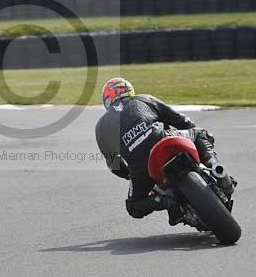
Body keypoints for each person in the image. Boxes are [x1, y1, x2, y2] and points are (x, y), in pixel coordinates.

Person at [94, 77, 235, 224]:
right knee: (200, 133)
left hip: (140, 165)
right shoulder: (143, 99)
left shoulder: (100, 128)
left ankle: (164, 200)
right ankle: (215, 167)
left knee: (133, 206)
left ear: (107, 100)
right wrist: (189, 134)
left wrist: (130, 175)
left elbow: (113, 164)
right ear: (129, 90)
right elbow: (181, 120)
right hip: (162, 139)